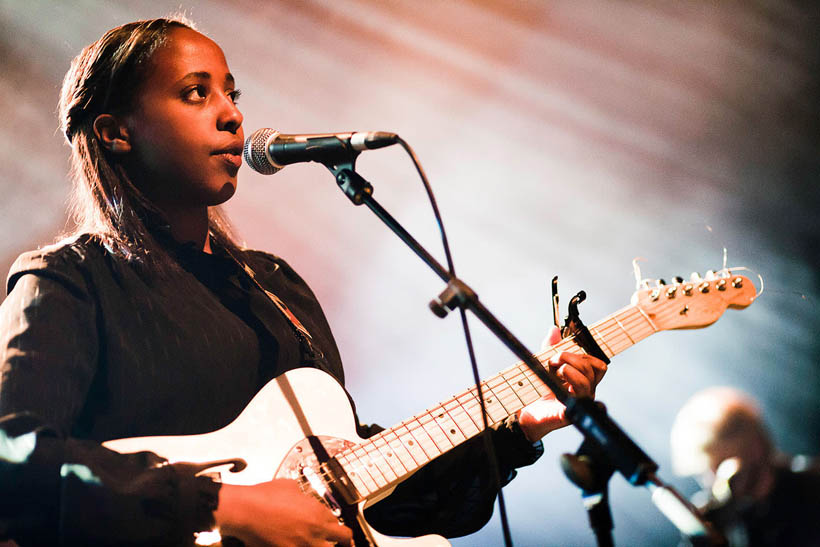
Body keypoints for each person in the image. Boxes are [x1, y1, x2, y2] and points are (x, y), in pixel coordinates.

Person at [0, 16, 608, 546]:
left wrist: (519, 425)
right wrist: (224, 505)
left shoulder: (273, 288)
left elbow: (376, 499)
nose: (233, 114)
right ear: (115, 132)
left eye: (232, 93)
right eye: (194, 93)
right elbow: (12, 459)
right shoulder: (69, 281)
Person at [670, 386, 820, 547]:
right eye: (703, 474)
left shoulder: (813, 486)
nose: (712, 483)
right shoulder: (734, 525)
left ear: (754, 446)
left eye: (719, 466)